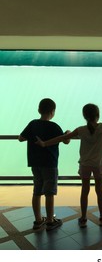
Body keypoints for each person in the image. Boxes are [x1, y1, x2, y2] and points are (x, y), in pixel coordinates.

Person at [37, 103, 102, 228]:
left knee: (85, 191)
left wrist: (45, 144)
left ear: (84, 116)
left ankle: (83, 218)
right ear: (98, 115)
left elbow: (63, 137)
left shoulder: (81, 130)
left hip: (85, 165)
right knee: (100, 191)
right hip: (98, 165)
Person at [19, 98, 69, 231]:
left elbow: (21, 138)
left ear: (39, 110)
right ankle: (50, 221)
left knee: (37, 191)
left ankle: (38, 220)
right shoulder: (54, 126)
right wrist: (68, 133)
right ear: (53, 112)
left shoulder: (33, 124)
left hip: (35, 163)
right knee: (49, 193)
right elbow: (66, 141)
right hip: (50, 163)